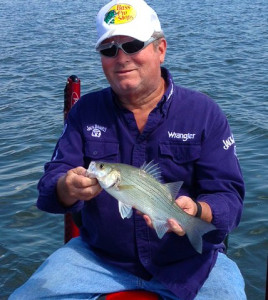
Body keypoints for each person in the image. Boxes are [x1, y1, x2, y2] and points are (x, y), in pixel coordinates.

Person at [10, 0, 246, 299]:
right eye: (109, 50)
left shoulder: (205, 113)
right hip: (98, 258)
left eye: (132, 45)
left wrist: (198, 210)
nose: (121, 58)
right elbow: (50, 184)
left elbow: (230, 197)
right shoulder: (85, 111)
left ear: (160, 49)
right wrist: (67, 186)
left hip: (191, 263)